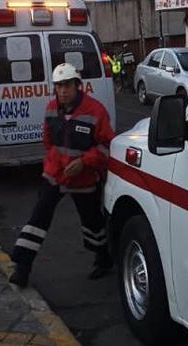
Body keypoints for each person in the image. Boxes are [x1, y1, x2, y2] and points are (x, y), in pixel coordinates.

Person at [9, 63, 115, 287]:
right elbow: (49, 143)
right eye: (58, 86)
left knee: (93, 223)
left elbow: (107, 146)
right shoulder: (50, 109)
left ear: (78, 86)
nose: (63, 91)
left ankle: (103, 258)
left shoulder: (95, 111)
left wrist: (84, 162)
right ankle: (23, 266)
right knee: (39, 216)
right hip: (55, 176)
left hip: (84, 179)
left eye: (67, 85)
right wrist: (56, 166)